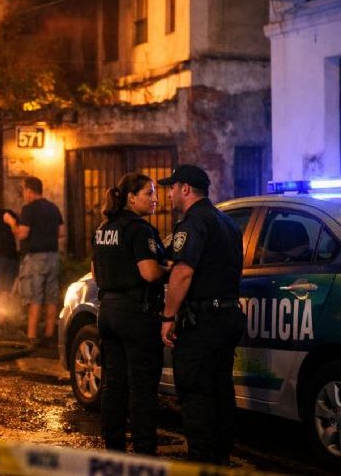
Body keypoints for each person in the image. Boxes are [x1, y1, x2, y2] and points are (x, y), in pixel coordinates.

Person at [158, 164, 246, 465]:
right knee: (221, 392)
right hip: (228, 317)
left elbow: (183, 273)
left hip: (202, 323)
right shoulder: (228, 222)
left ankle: (202, 465)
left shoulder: (193, 223)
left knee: (196, 396)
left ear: (184, 189)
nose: (168, 194)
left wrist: (168, 318)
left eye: (171, 187)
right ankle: (220, 461)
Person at [92, 172, 169, 456]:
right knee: (142, 387)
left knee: (113, 383)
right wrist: (170, 270)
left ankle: (113, 448)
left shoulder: (103, 228)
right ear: (131, 197)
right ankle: (144, 452)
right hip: (136, 314)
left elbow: (94, 272)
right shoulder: (139, 230)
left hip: (108, 312)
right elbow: (149, 273)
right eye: (149, 193)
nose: (155, 199)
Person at [3, 176, 64, 346]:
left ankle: (32, 337)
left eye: (24, 190)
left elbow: (22, 234)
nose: (24, 194)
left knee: (35, 297)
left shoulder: (29, 209)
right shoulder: (53, 208)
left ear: (29, 191)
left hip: (36, 258)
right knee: (51, 298)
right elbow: (61, 232)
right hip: (53, 256)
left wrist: (11, 223)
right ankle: (50, 334)